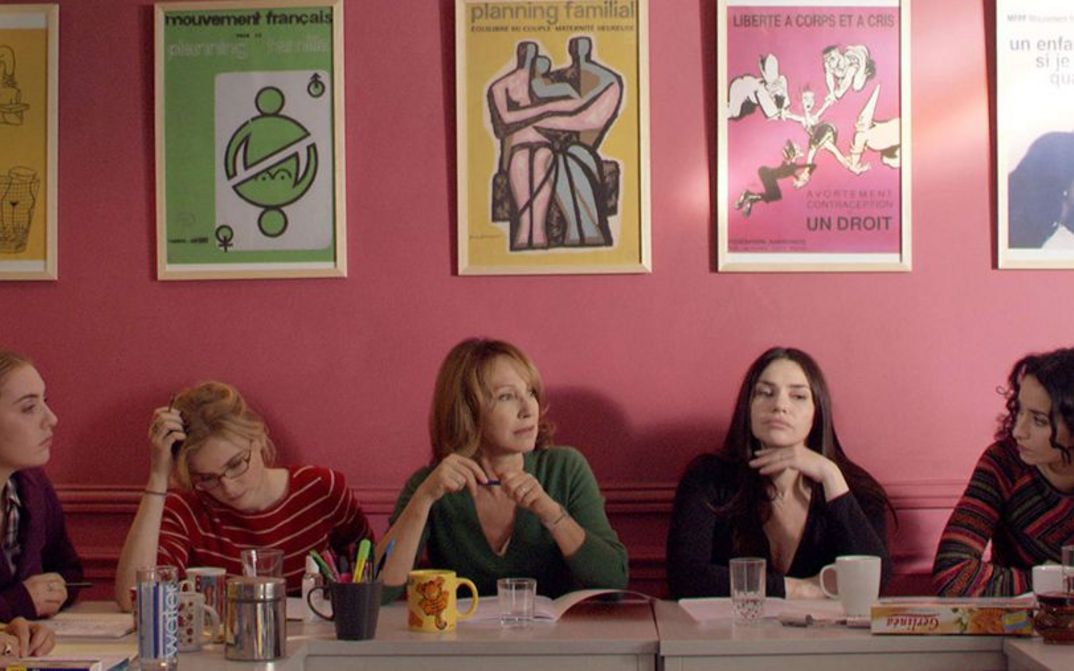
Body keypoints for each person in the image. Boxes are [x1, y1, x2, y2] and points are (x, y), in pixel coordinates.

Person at [378, 338, 628, 600]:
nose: (528, 408)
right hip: (462, 641)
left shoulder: (564, 468)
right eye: (507, 396)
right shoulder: (431, 483)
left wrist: (551, 513)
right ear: (467, 411)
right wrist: (423, 499)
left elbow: (612, 581)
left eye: (530, 392)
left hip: (554, 641)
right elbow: (381, 591)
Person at [114, 381, 373, 609]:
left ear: (258, 439)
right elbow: (131, 598)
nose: (229, 487)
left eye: (236, 464)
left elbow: (370, 576)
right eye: (207, 478)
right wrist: (159, 475)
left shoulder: (319, 489)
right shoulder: (186, 508)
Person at [666, 347, 892, 599]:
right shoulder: (708, 476)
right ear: (747, 408)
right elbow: (685, 577)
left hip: (825, 638)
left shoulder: (855, 486)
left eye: (798, 396)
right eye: (765, 393)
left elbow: (875, 583)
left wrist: (830, 476)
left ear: (817, 413)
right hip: (725, 637)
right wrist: (798, 589)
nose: (780, 405)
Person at [933, 348, 1074, 596]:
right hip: (1014, 628)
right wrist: (1054, 582)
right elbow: (953, 575)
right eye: (1019, 411)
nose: (1019, 430)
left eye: (1039, 420)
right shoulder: (1003, 462)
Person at [0, 350, 83, 620]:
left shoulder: (31, 484)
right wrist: (19, 603)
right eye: (29, 408)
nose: (52, 419)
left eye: (44, 402)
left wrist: (51, 592)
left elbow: (67, 572)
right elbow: (22, 601)